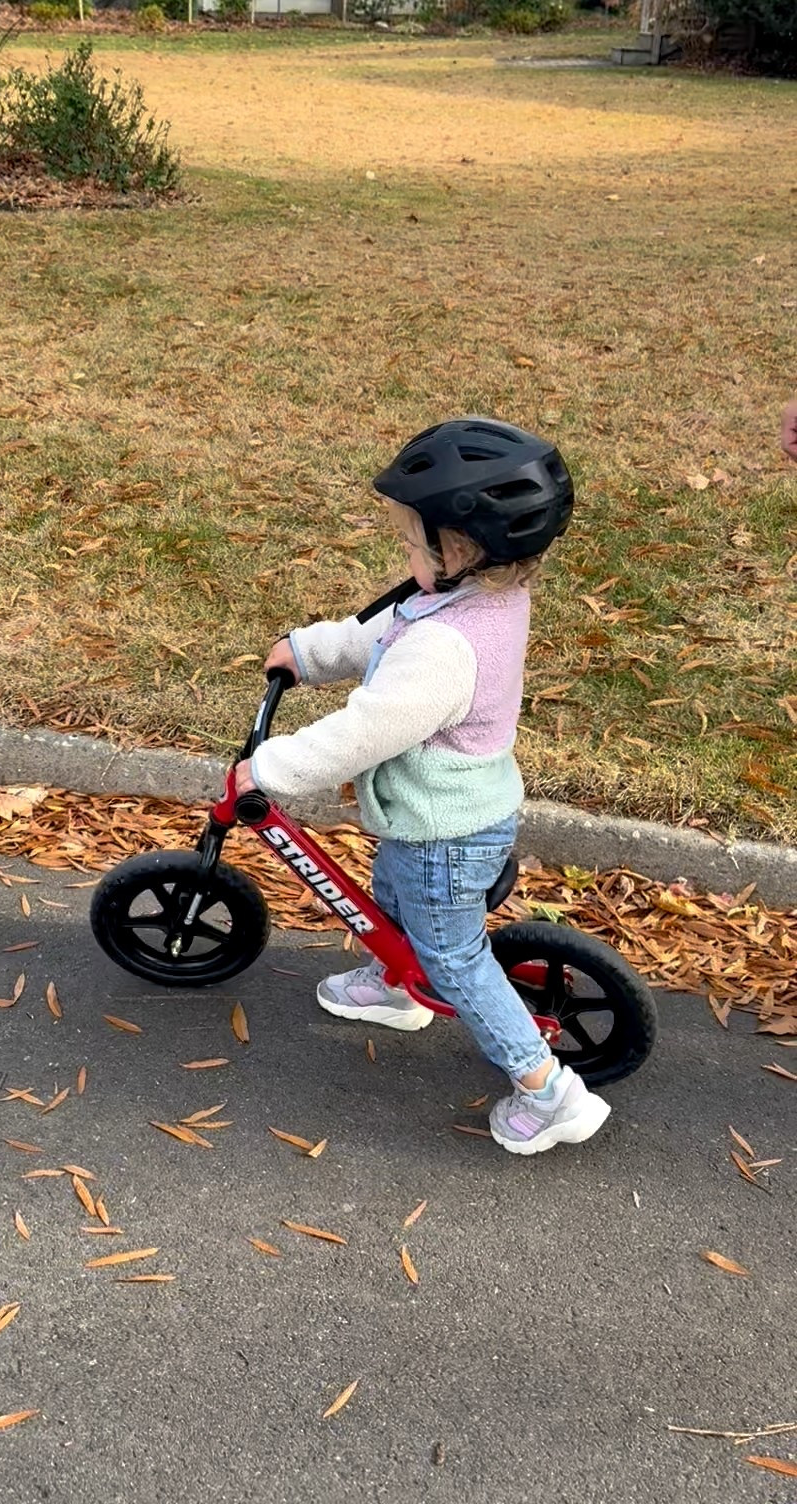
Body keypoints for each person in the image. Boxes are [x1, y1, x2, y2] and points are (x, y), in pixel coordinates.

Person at [235, 417, 611, 1156]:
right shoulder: (468, 603)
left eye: (412, 540)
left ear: (463, 548)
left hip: (446, 834)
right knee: (396, 898)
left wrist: (271, 769)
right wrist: (310, 652)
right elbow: (385, 635)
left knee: (454, 958)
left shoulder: (445, 651)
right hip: (434, 819)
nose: (404, 554)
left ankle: (547, 1091)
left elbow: (367, 729)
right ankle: (394, 983)